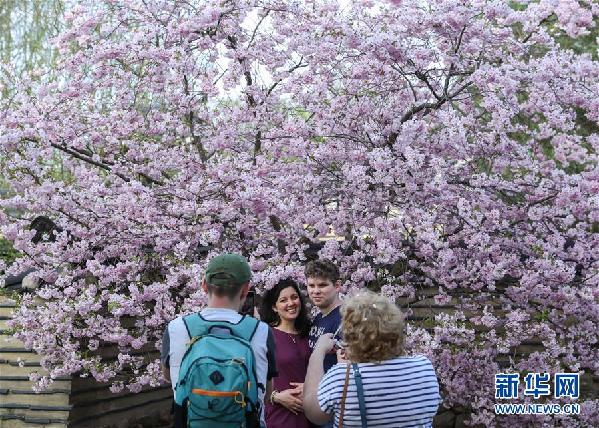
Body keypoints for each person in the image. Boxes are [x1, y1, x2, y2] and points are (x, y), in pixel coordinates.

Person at [160, 253, 277, 428]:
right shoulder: (261, 331)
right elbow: (266, 394)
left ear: (204, 285)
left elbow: (168, 376)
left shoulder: (177, 328)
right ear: (246, 289)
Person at [304, 291, 441, 428]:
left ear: (352, 337)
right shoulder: (424, 367)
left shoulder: (341, 377)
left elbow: (313, 413)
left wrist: (318, 352)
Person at [259, 279, 316, 428]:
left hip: (313, 416)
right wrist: (275, 396)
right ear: (274, 307)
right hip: (279, 417)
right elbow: (252, 376)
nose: (291, 303)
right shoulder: (265, 335)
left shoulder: (311, 332)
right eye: (283, 300)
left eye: (294, 297)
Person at [306, 259, 343, 374]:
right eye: (311, 285)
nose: (315, 291)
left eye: (322, 285)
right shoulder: (318, 317)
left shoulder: (346, 319)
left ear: (337, 286)